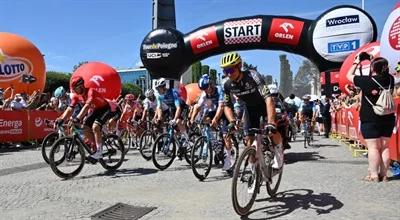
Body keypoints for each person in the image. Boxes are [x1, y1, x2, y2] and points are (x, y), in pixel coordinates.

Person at [220, 51, 282, 176]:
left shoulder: (253, 76)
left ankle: (279, 152)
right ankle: (254, 171)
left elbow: (268, 99)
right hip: (250, 108)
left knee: (271, 131)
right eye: (225, 71)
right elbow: (226, 105)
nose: (228, 74)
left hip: (264, 105)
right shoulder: (227, 84)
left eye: (231, 70)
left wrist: (270, 123)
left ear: (239, 66)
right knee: (249, 140)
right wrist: (232, 121)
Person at [347, 55, 395, 182]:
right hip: (388, 116)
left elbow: (349, 75)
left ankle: (373, 175)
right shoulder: (390, 80)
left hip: (370, 117)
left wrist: (357, 62)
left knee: (373, 147)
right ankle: (384, 175)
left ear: (373, 68)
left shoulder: (367, 81)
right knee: (385, 147)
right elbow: (384, 72)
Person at [56, 76, 114, 162]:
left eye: (75, 89)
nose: (74, 91)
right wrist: (62, 119)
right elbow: (70, 108)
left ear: (81, 86)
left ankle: (99, 151)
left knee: (95, 127)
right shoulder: (77, 96)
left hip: (105, 108)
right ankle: (95, 145)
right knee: (84, 127)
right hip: (96, 110)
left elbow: (87, 106)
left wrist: (77, 118)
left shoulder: (91, 92)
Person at [190, 74, 233, 171]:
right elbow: (198, 106)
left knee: (226, 135)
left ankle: (228, 160)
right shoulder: (205, 93)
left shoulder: (219, 90)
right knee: (205, 120)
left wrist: (216, 119)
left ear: (211, 84)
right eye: (203, 89)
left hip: (224, 109)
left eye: (206, 88)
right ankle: (215, 143)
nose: (205, 90)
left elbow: (221, 107)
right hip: (214, 110)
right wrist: (192, 119)